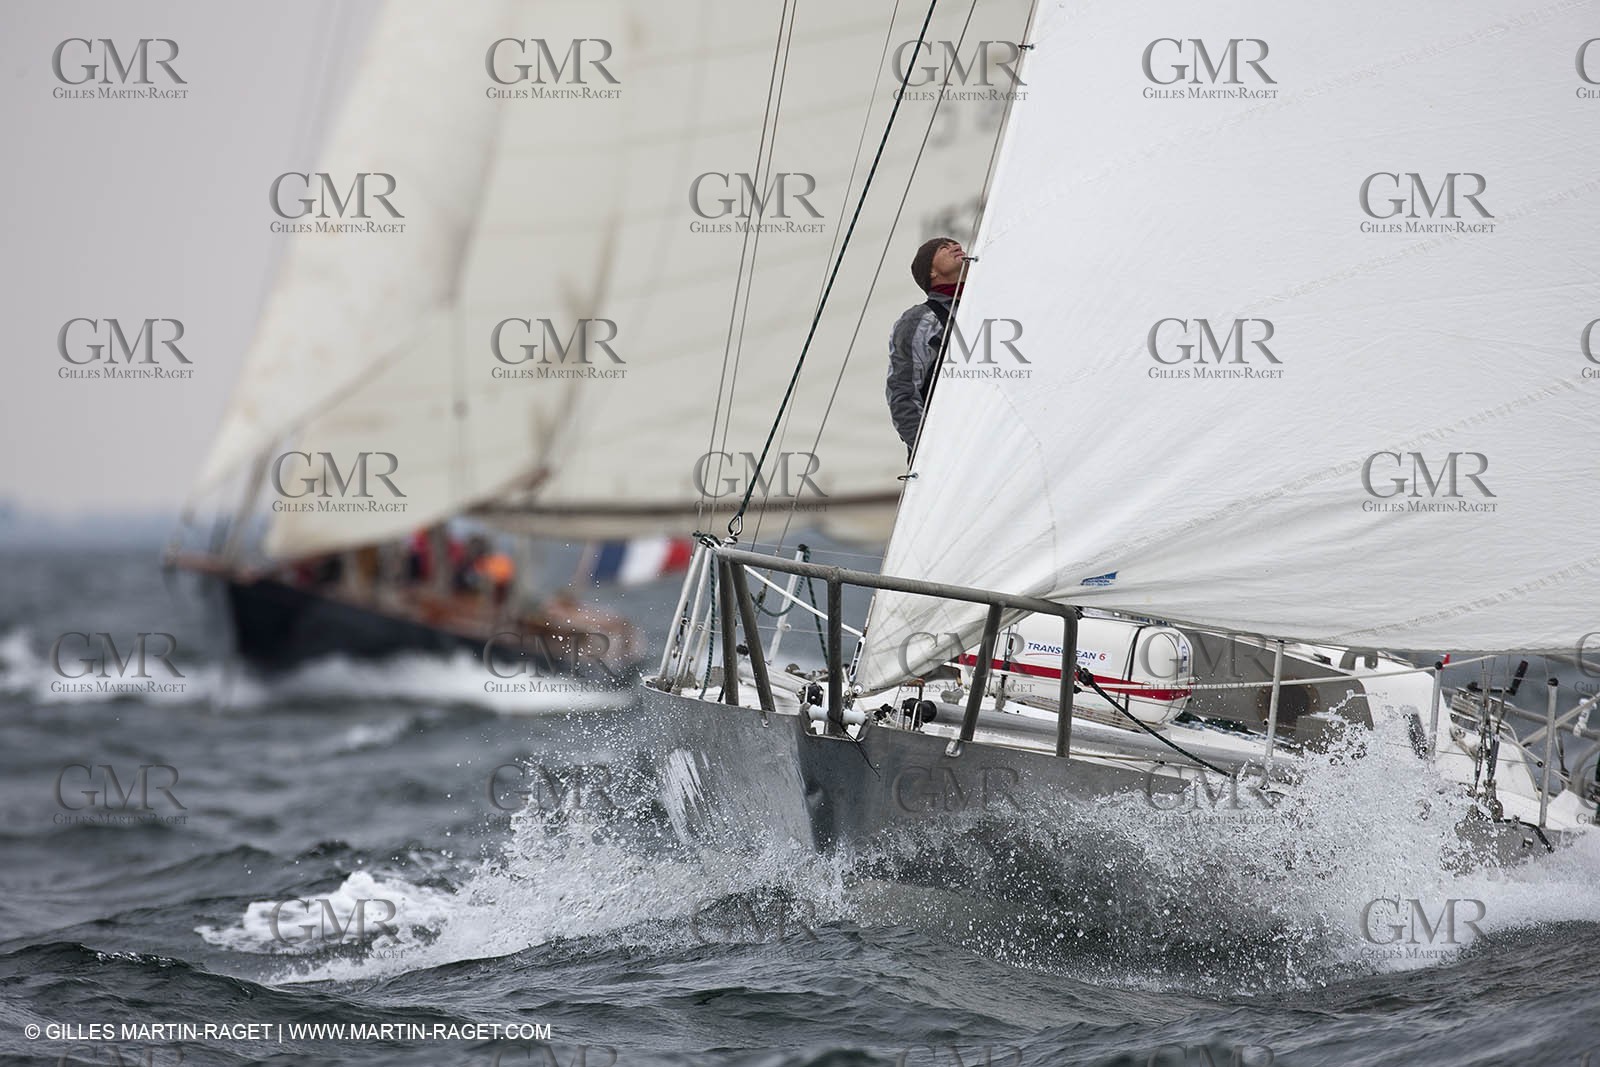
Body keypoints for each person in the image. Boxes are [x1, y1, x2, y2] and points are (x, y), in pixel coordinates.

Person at [886, 236, 965, 457]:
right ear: (931, 272)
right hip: (950, 452)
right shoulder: (919, 319)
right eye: (944, 247)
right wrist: (929, 453)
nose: (956, 247)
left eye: (956, 244)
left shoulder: (989, 306)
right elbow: (902, 391)